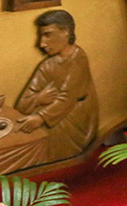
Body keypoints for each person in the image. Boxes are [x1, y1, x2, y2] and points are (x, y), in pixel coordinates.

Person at [0, 10, 98, 174]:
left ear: (65, 32)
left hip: (72, 126)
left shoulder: (77, 58)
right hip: (47, 118)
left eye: (48, 35)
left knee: (24, 148)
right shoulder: (48, 65)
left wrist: (41, 117)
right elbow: (23, 104)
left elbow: (68, 98)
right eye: (41, 36)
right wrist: (39, 98)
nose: (41, 44)